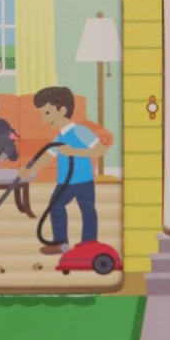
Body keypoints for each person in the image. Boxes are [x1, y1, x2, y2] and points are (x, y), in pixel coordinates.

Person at [19, 86, 108, 255]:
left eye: (47, 113)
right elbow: (47, 155)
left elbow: (100, 150)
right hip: (64, 182)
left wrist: (74, 151)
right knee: (55, 206)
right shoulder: (59, 137)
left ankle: (89, 244)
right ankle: (61, 243)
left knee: (87, 210)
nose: (43, 119)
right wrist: (30, 169)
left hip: (84, 181)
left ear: (62, 110)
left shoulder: (80, 131)